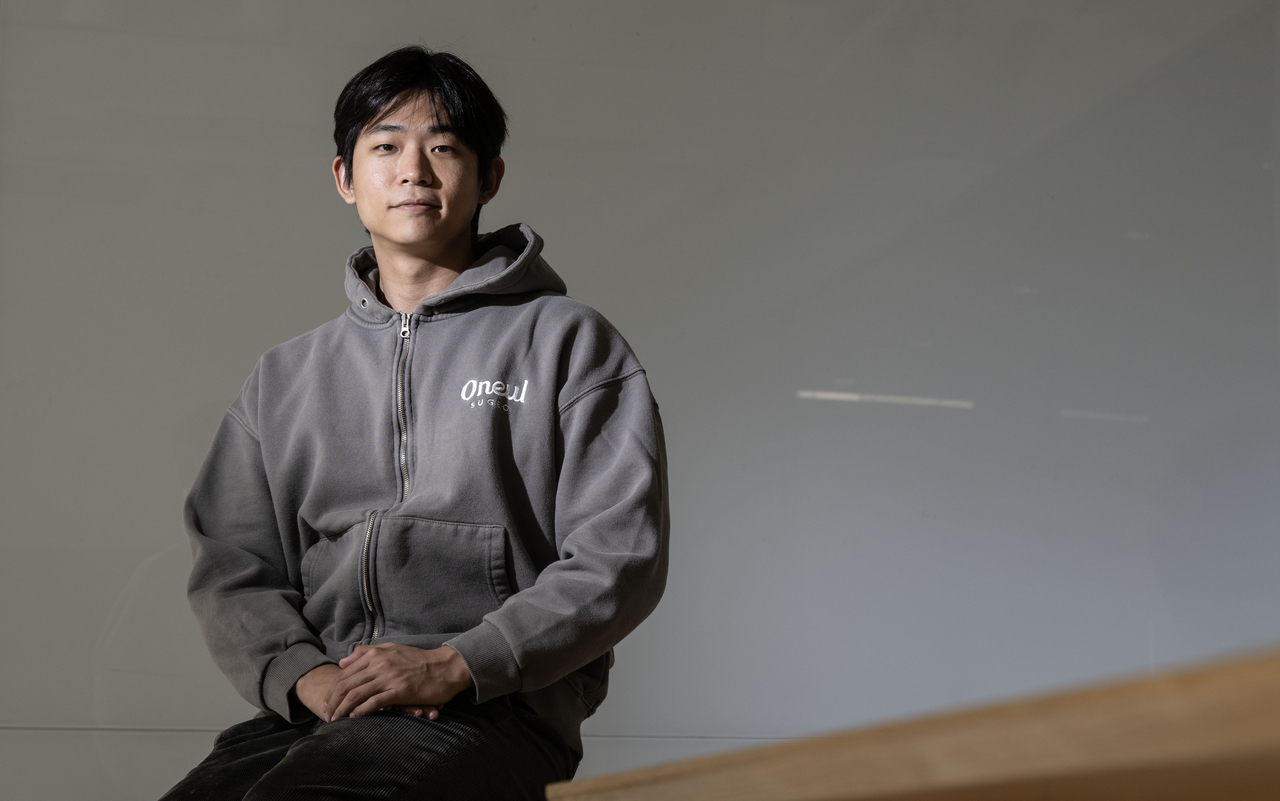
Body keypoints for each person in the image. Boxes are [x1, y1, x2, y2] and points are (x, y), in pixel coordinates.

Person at [161, 46, 669, 800]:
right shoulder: (286, 375)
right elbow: (232, 562)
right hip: (325, 704)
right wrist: (305, 677)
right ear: (345, 177)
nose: (413, 171)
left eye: (443, 147)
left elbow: (619, 555)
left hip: (494, 704)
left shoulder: (568, 342)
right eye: (386, 146)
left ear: (489, 176)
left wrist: (456, 663)